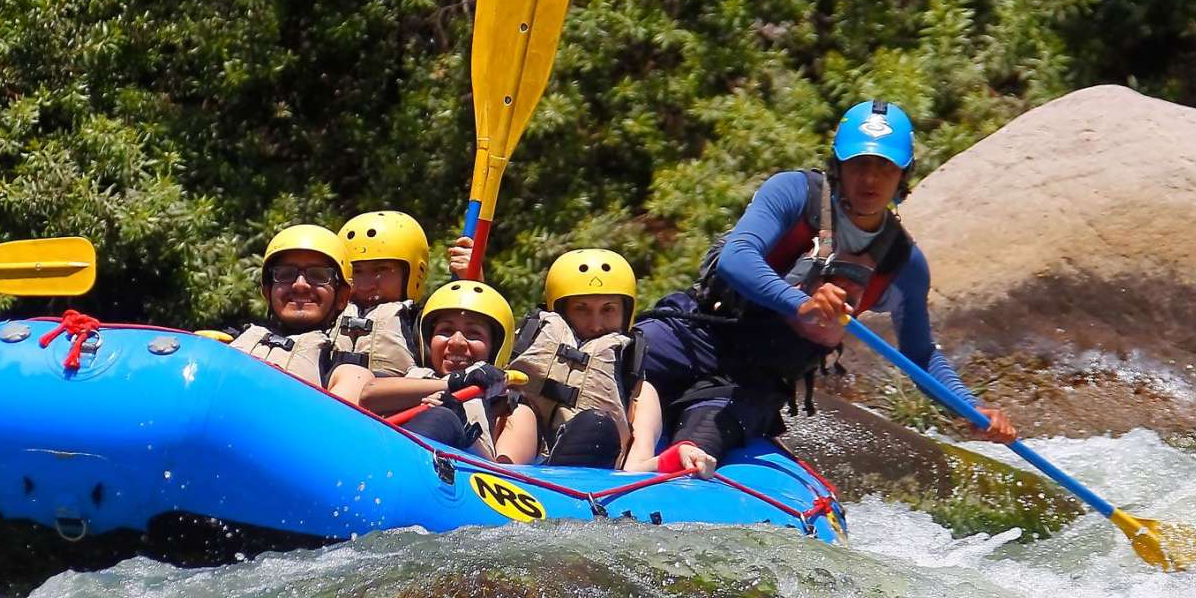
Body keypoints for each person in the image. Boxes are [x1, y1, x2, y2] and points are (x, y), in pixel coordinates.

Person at [622, 100, 1016, 471]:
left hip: (754, 378)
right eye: (859, 163)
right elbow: (737, 256)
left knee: (701, 444)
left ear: (903, 174)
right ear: (838, 165)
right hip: (699, 331)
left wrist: (969, 408)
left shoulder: (903, 263)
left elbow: (920, 354)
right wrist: (800, 302)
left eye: (885, 167)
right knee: (618, 359)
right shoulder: (794, 193)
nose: (870, 178)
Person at [356, 279, 538, 464]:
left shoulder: (514, 411)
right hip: (387, 465)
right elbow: (367, 395)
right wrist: (457, 383)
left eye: (473, 333)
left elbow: (505, 480)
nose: (456, 342)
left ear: (495, 348)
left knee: (442, 418)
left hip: (456, 484)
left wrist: (466, 431)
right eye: (446, 330)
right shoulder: (411, 379)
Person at [507, 248, 649, 469]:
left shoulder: (641, 391)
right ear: (562, 312)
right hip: (517, 470)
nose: (596, 325)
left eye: (608, 310)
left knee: (595, 426)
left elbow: (639, 462)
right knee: (519, 409)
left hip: (590, 483)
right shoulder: (522, 346)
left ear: (626, 312)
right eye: (581, 309)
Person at [225, 225, 356, 391]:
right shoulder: (225, 345)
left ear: (342, 297)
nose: (300, 285)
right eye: (285, 274)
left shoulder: (346, 373)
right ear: (267, 292)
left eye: (318, 276)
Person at [329, 210, 429, 376]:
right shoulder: (324, 317)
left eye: (381, 269)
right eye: (356, 271)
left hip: (399, 400)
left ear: (414, 274)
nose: (365, 285)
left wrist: (471, 279)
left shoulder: (422, 326)